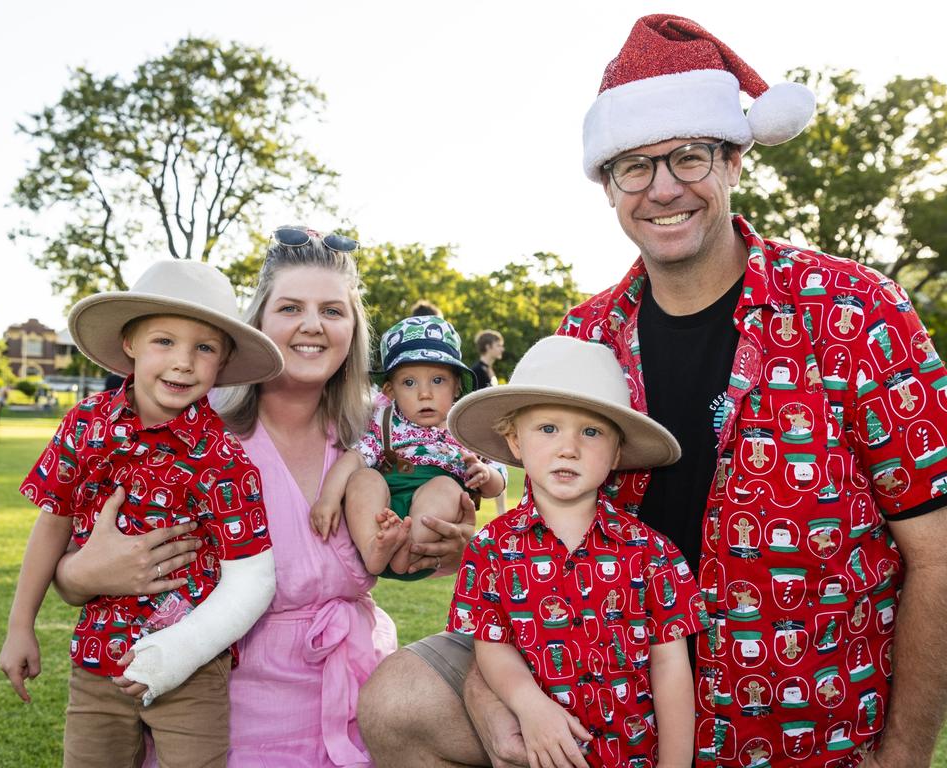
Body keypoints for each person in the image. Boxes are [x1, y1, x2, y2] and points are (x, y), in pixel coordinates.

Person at [360, 14, 947, 768]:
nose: (663, 187)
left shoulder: (855, 311)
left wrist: (900, 757)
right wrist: (488, 690)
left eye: (689, 157)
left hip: (793, 717)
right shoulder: (584, 337)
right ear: (606, 185)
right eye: (634, 166)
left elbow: (934, 555)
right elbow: (547, 533)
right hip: (601, 699)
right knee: (397, 701)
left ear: (734, 159)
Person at [51, 227, 477, 767]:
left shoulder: (383, 433)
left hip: (356, 701)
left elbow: (412, 546)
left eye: (332, 310)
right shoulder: (193, 432)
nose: (312, 326)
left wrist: (451, 551)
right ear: (257, 322)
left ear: (353, 330)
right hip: (225, 709)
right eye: (290, 307)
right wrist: (80, 576)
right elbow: (68, 558)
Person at [0, 260, 284, 767]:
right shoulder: (85, 425)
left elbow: (253, 575)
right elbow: (53, 520)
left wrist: (180, 653)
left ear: (221, 363)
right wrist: (21, 624)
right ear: (129, 343)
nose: (183, 362)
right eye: (164, 341)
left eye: (204, 347)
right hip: (97, 658)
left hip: (192, 665)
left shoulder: (226, 460)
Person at [447, 335, 700, 768]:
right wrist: (528, 704)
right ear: (514, 441)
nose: (569, 447)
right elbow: (492, 644)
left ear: (617, 452)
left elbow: (671, 666)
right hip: (539, 756)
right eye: (548, 428)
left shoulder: (653, 554)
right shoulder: (491, 551)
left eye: (591, 431)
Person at [310, 315, 506, 579]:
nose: (424, 394)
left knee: (447, 488)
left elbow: (496, 485)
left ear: (457, 386)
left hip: (429, 528)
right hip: (386, 510)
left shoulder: (468, 429)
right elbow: (353, 459)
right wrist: (328, 498)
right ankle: (374, 548)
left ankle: (409, 549)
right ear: (390, 391)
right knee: (363, 476)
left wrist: (485, 474)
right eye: (409, 383)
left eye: (438, 380)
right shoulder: (384, 422)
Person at [471, 329, 508, 516]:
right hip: (481, 433)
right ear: (488, 347)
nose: (502, 348)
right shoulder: (477, 371)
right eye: (498, 345)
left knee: (499, 470)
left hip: (493, 429)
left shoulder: (489, 370)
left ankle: (502, 514)